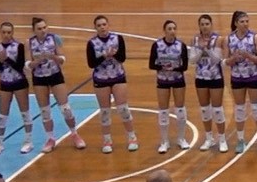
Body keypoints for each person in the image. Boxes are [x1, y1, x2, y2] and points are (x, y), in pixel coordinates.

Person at [27, 17, 85, 152]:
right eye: (39, 29)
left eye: (44, 27)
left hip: (55, 75)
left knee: (66, 108)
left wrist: (53, 57)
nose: (43, 31)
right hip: (39, 78)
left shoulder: (54, 39)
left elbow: (62, 59)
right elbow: (27, 65)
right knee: (45, 111)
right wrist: (38, 61)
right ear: (34, 30)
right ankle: (50, 138)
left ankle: (75, 134)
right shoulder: (29, 43)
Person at [88, 14, 140, 154]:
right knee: (105, 111)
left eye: (104, 24)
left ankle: (132, 137)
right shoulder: (92, 43)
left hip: (118, 76)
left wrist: (114, 54)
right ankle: (107, 140)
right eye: (99, 25)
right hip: (101, 79)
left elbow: (122, 58)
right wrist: (104, 56)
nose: (102, 27)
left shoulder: (117, 38)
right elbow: (91, 63)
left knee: (123, 108)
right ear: (95, 28)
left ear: (108, 25)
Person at [0, 21, 34, 157]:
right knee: (2, 115)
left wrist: (6, 59)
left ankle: (28, 141)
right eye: (4, 32)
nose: (6, 35)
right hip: (5, 83)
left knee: (25, 112)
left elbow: (20, 66)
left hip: (19, 82)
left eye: (9, 32)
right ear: (0, 32)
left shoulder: (18, 46)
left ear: (12, 33)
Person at [147, 18, 191, 154]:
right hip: (162, 81)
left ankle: (181, 138)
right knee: (163, 110)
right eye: (169, 29)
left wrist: (175, 68)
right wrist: (162, 66)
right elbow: (151, 64)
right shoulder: (157, 45)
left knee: (180, 109)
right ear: (164, 31)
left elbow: (185, 66)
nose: (172, 31)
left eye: (174, 29)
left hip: (178, 79)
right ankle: (164, 141)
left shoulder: (181, 45)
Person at [225, 10, 257, 154]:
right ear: (236, 23)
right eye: (242, 21)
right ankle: (240, 140)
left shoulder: (255, 38)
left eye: (247, 21)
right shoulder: (229, 39)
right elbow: (224, 62)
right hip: (237, 78)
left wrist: (249, 56)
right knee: (239, 108)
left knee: (256, 108)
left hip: (253, 77)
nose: (245, 24)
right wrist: (233, 59)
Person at [190, 12, 229, 152]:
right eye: (202, 24)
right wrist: (200, 51)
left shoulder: (219, 40)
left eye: (207, 24)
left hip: (215, 77)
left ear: (211, 25)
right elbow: (192, 60)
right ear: (199, 26)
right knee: (205, 109)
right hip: (200, 78)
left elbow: (218, 60)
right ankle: (208, 138)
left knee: (217, 109)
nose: (205, 27)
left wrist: (207, 49)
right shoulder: (195, 39)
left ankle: (222, 138)